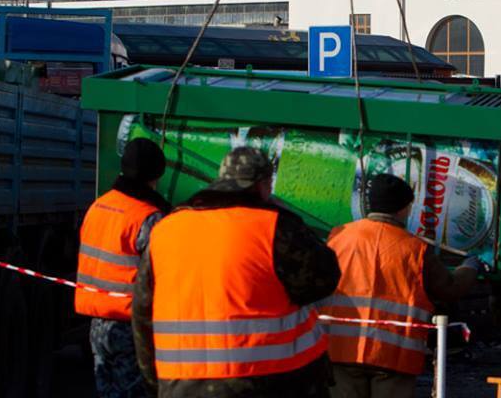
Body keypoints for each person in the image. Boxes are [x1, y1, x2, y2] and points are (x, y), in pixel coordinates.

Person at [132, 147, 341, 398]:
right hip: (263, 383)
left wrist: (156, 382)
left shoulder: (166, 230)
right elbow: (325, 277)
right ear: (263, 185)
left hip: (181, 384)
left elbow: (142, 313)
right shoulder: (274, 227)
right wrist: (285, 213)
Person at [322, 173, 484, 398]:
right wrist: (470, 267)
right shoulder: (415, 249)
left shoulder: (339, 237)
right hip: (394, 356)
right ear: (403, 209)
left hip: (341, 350)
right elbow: (450, 289)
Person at [75, 138, 171, 398]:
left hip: (97, 322)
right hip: (130, 327)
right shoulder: (148, 217)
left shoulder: (98, 207)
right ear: (156, 174)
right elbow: (164, 274)